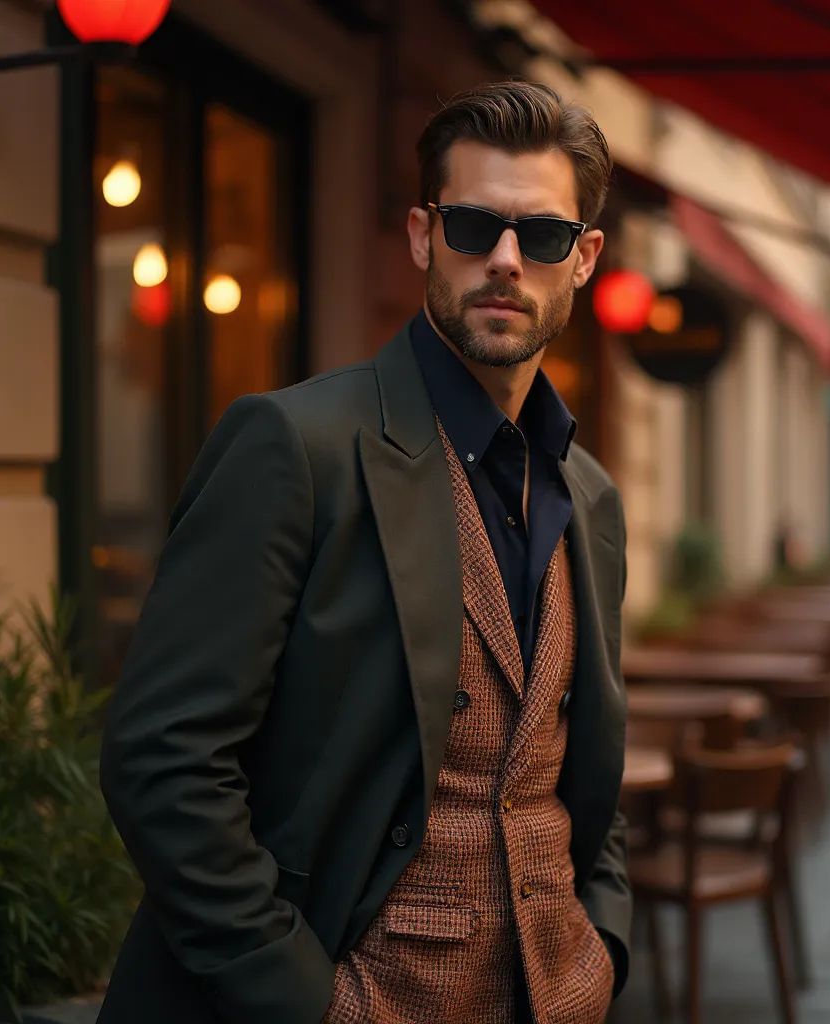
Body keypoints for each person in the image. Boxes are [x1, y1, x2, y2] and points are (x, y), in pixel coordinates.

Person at [96, 81, 631, 1024]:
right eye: (473, 227)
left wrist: (606, 945)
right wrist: (308, 1002)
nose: (506, 261)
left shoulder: (589, 496)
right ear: (424, 237)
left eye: (542, 236)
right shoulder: (293, 446)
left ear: (583, 258)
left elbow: (577, 758)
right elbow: (163, 761)